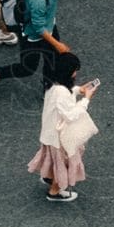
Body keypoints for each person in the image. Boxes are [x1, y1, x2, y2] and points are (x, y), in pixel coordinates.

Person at [29, 51, 97, 203]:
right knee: (64, 162)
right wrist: (86, 99)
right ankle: (55, 190)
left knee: (52, 159)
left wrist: (79, 90)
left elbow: (63, 98)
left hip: (49, 133)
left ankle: (50, 177)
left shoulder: (52, 85)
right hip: (60, 138)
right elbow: (71, 115)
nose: (76, 73)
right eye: (74, 70)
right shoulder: (62, 92)